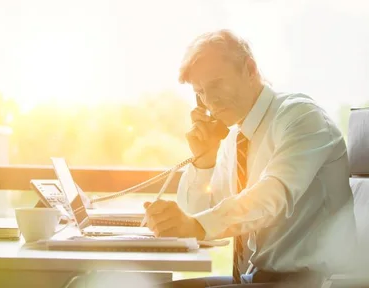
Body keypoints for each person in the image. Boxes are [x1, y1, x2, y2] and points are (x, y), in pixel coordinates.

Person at [143, 30, 356, 287]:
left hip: (311, 282)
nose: (209, 101)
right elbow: (200, 217)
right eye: (200, 93)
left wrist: (195, 225)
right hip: (256, 279)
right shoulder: (237, 138)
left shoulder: (300, 118)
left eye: (216, 84)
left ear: (250, 69)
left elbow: (272, 196)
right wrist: (204, 161)